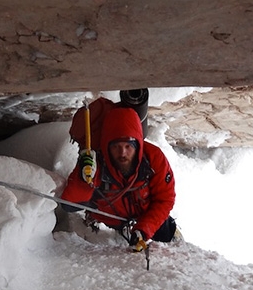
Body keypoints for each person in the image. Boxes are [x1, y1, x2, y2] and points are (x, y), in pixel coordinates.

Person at [60, 105, 179, 251]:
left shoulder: (154, 159)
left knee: (166, 233)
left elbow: (164, 199)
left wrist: (144, 229)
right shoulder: (97, 162)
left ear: (138, 146)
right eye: (116, 147)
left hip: (146, 214)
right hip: (112, 218)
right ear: (106, 147)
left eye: (128, 146)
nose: (122, 153)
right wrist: (83, 176)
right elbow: (70, 204)